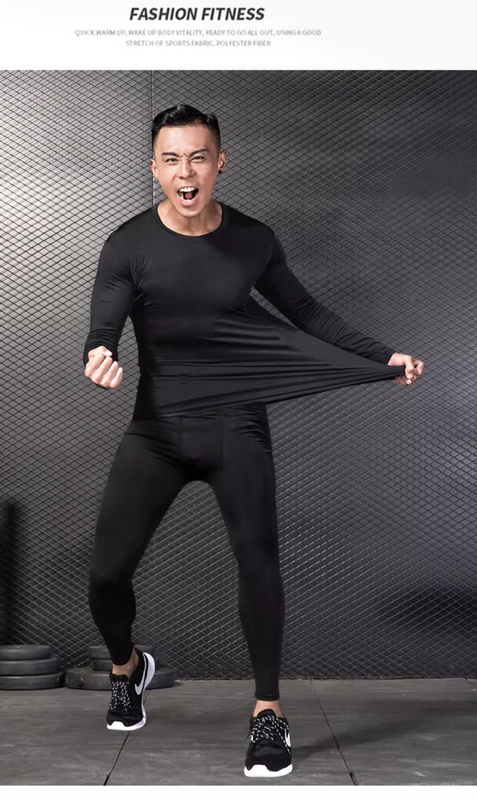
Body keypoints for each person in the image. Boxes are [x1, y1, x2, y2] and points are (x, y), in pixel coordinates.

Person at [83, 104, 425, 779]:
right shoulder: (127, 244)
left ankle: (268, 711)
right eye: (171, 159)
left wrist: (382, 356)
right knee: (105, 577)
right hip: (157, 430)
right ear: (154, 167)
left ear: (220, 163)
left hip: (236, 423)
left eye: (198, 157)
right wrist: (99, 352)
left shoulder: (252, 239)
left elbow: (304, 311)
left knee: (258, 562)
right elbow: (104, 326)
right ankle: (127, 669)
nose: (186, 172)